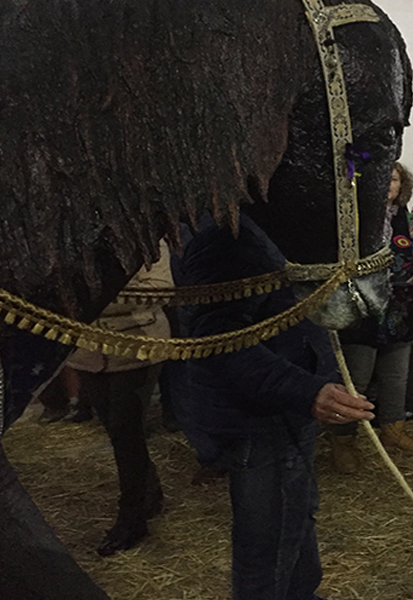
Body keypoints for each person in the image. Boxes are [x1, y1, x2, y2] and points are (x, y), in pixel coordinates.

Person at [181, 211, 375, 599]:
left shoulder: (264, 226)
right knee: (266, 544)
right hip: (257, 419)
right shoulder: (224, 236)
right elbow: (220, 339)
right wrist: (306, 390)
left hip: (284, 409)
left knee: (296, 516)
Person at [66, 242, 172, 556]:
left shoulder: (145, 234)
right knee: (116, 430)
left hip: (136, 347)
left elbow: (161, 289)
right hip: (88, 351)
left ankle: (132, 516)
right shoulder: (73, 234)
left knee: (126, 431)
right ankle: (150, 492)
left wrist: (94, 298)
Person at [332, 163, 413, 473]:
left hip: (401, 309)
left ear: (401, 184)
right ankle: (343, 441)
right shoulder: (352, 220)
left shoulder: (408, 219)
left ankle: (393, 430)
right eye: (382, 177)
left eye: (392, 179)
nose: (387, 184)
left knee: (396, 376)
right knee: (356, 378)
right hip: (362, 310)